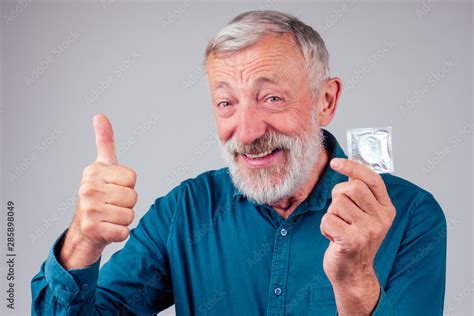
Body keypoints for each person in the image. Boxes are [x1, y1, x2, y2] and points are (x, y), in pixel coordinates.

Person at [31, 10, 446, 315]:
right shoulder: (185, 211)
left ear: (326, 100)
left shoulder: (410, 215)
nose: (246, 133)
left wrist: (356, 279)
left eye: (271, 98)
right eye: (226, 103)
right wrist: (82, 244)